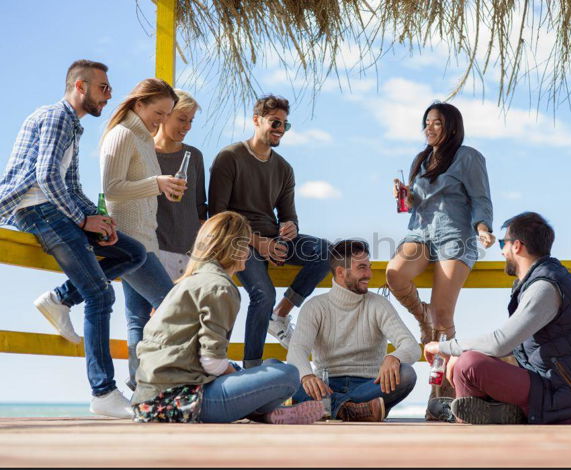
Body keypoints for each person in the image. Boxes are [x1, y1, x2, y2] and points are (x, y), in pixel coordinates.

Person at [0, 60, 147, 418]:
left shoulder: (73, 127)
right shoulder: (56, 117)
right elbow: (47, 177)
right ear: (79, 87)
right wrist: (83, 218)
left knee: (133, 252)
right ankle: (103, 393)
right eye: (103, 88)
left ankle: (59, 298)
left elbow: (71, 186)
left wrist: (100, 220)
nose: (109, 95)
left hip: (57, 208)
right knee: (100, 292)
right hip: (36, 209)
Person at [424, 212, 571, 424]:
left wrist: (445, 348)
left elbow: (500, 343)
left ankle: (466, 415)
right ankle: (495, 411)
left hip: (565, 396)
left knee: (467, 364)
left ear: (517, 246)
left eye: (502, 243)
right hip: (555, 386)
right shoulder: (547, 279)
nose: (502, 252)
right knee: (465, 360)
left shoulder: (544, 288)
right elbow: (514, 349)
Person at [131, 211, 323, 424]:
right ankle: (262, 412)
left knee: (272, 363)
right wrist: (239, 373)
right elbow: (212, 363)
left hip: (149, 399)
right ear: (237, 247)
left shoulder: (193, 280)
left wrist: (240, 375)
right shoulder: (218, 286)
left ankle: (264, 413)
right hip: (180, 402)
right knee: (286, 374)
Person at [385, 101, 495, 413]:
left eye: (437, 123)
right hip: (421, 232)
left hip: (454, 235)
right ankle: (422, 319)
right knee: (395, 274)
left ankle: (440, 395)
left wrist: (483, 228)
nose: (429, 128)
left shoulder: (468, 156)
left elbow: (480, 198)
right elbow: (416, 204)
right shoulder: (421, 159)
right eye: (427, 123)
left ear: (452, 127)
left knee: (444, 318)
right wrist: (405, 195)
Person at [208, 94, 331, 368]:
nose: (280, 130)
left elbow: (289, 217)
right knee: (263, 293)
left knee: (326, 251)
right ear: (256, 120)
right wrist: (258, 243)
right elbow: (217, 216)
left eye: (285, 125)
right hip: (238, 240)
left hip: (273, 239)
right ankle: (252, 369)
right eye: (275, 122)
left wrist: (289, 229)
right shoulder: (229, 158)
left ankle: (280, 316)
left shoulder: (284, 168)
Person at [100, 78, 187, 390]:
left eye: (167, 115)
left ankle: (141, 388)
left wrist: (162, 187)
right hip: (128, 241)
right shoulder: (122, 134)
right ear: (140, 104)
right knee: (171, 306)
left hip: (146, 240)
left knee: (138, 319)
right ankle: (162, 382)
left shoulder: (144, 140)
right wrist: (158, 184)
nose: (161, 121)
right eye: (159, 112)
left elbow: (140, 189)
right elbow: (111, 189)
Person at [288, 240, 421, 421]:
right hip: (327, 386)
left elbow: (412, 346)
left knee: (406, 374)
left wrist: (394, 357)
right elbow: (297, 350)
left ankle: (333, 408)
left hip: (369, 385)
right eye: (362, 268)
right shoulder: (315, 307)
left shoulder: (378, 305)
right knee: (282, 374)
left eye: (369, 267)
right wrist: (307, 376)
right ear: (341, 272)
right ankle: (352, 409)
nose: (369, 274)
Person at [154, 89, 207, 281]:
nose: (187, 127)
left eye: (191, 121)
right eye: (182, 119)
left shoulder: (194, 156)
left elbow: (200, 207)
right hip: (153, 249)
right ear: (166, 115)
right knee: (144, 312)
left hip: (188, 254)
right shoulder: (144, 152)